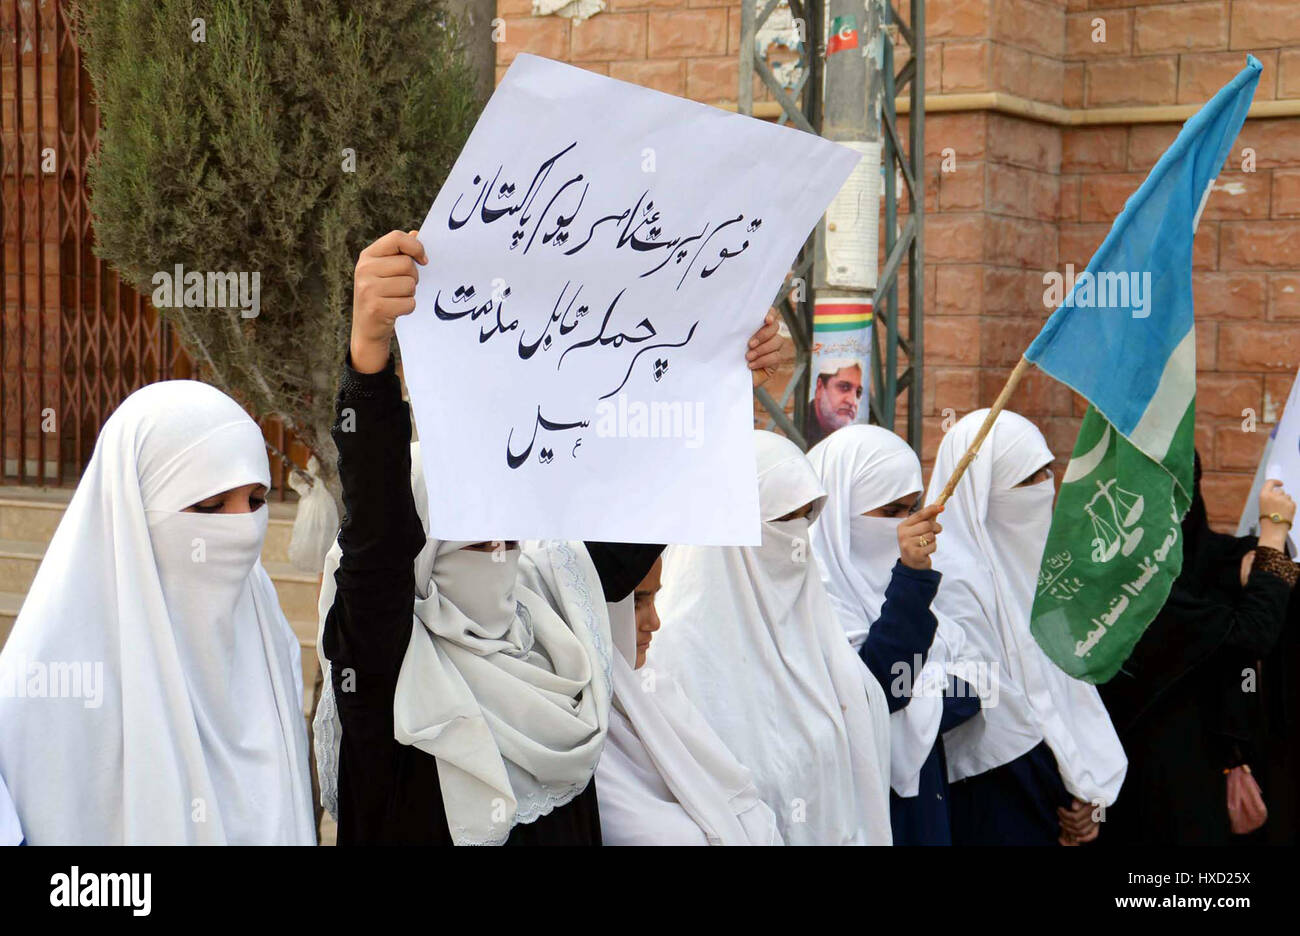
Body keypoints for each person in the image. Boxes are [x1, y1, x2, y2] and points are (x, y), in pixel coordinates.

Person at [313, 229, 791, 845]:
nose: (500, 557)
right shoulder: (386, 670)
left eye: (508, 540)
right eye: (474, 546)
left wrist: (720, 383)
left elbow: (636, 524)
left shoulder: (549, 628)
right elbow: (378, 544)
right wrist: (370, 352)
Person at [0, 381, 315, 844]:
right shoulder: (51, 686)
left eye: (255, 501)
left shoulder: (269, 638)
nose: (243, 529)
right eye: (210, 505)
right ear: (134, 510)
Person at [649, 429, 893, 845]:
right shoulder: (670, 657)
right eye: (782, 520)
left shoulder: (818, 632)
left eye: (806, 517)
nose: (797, 534)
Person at [925, 409, 1127, 846]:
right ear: (982, 489)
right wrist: (1072, 783)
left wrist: (1088, 787)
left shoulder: (1036, 564)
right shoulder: (949, 578)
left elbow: (1065, 684)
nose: (1042, 490)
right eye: (1025, 480)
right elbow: (1004, 702)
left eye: (1046, 473)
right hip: (993, 791)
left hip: (1055, 788)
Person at [1099, 453, 1297, 845]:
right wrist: (1274, 530)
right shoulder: (1136, 584)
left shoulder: (1210, 557)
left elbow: (1239, 571)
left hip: (1228, 770)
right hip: (1164, 783)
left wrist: (1264, 557)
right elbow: (1251, 632)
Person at [808, 425, 982, 845]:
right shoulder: (811, 595)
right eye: (889, 513)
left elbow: (976, 686)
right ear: (839, 508)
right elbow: (877, 691)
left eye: (912, 509)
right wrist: (911, 580)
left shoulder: (922, 586)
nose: (905, 526)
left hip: (923, 805)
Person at [595, 558, 783, 845]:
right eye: (636, 603)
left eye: (655, 598)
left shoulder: (654, 686)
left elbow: (737, 795)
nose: (654, 622)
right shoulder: (577, 730)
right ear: (592, 604)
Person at [806, 360, 864, 447]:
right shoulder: (799, 428)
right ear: (820, 387)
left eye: (858, 393)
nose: (853, 402)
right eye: (844, 387)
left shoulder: (856, 438)